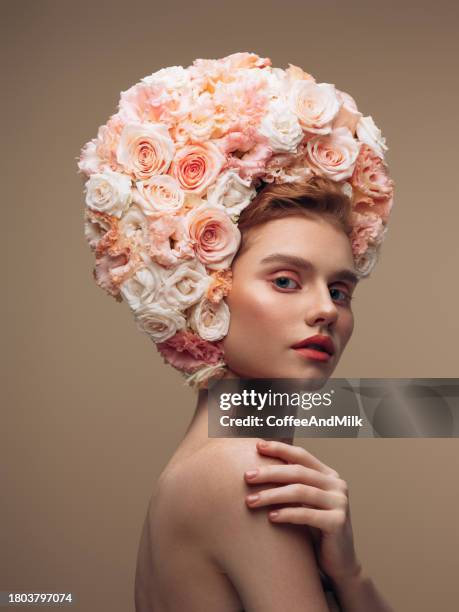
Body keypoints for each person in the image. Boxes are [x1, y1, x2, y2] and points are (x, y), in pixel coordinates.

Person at [77, 52, 395, 611]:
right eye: (287, 280)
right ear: (208, 290)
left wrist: (351, 575)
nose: (326, 310)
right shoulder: (239, 472)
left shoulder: (215, 463)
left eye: (340, 290)